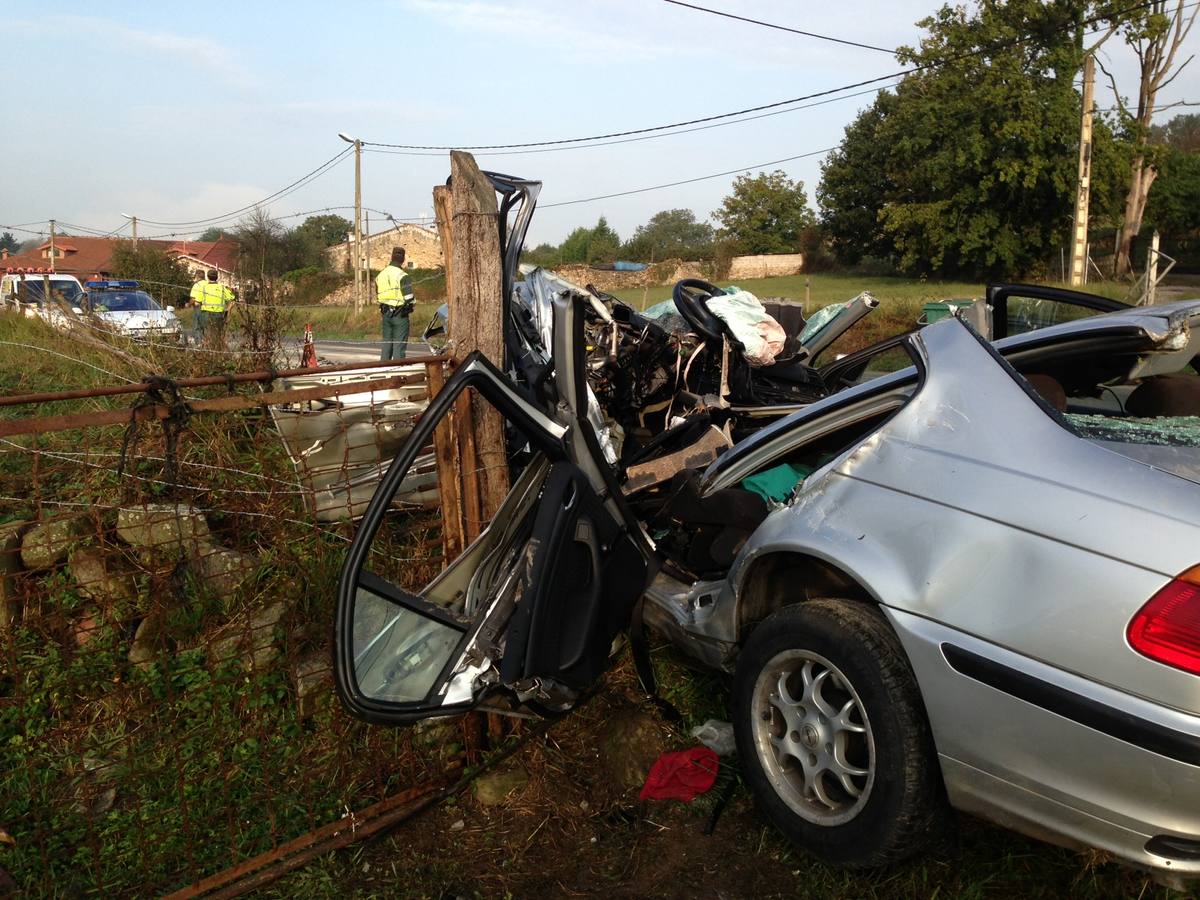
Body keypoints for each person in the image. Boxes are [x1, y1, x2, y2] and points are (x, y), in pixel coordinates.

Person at [375, 247, 415, 361]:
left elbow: (378, 294)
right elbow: (409, 298)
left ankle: (383, 368)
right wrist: (412, 304)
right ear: (403, 259)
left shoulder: (380, 275)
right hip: (400, 314)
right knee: (399, 345)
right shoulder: (403, 275)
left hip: (385, 313)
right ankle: (398, 371)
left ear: (391, 257)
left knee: (387, 343)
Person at [189, 269, 235, 344]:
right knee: (218, 334)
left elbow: (197, 303)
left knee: (206, 334)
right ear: (217, 277)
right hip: (219, 315)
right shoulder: (222, 288)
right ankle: (217, 349)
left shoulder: (204, 288)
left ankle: (205, 349)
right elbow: (232, 300)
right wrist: (228, 310)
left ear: (208, 277)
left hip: (206, 315)